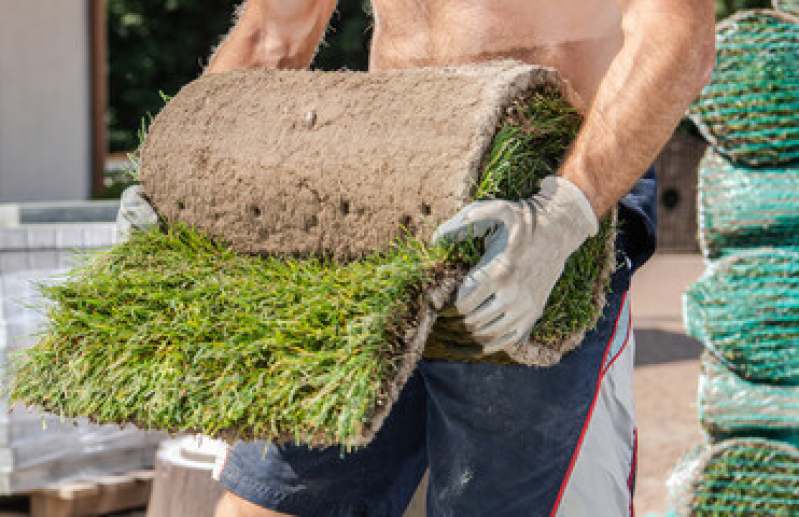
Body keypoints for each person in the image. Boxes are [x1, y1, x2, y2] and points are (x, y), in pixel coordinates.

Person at [118, 0, 715, 515]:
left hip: (549, 182)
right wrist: (186, 183)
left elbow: (678, 31)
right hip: (387, 185)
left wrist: (564, 212)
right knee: (266, 503)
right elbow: (273, 34)